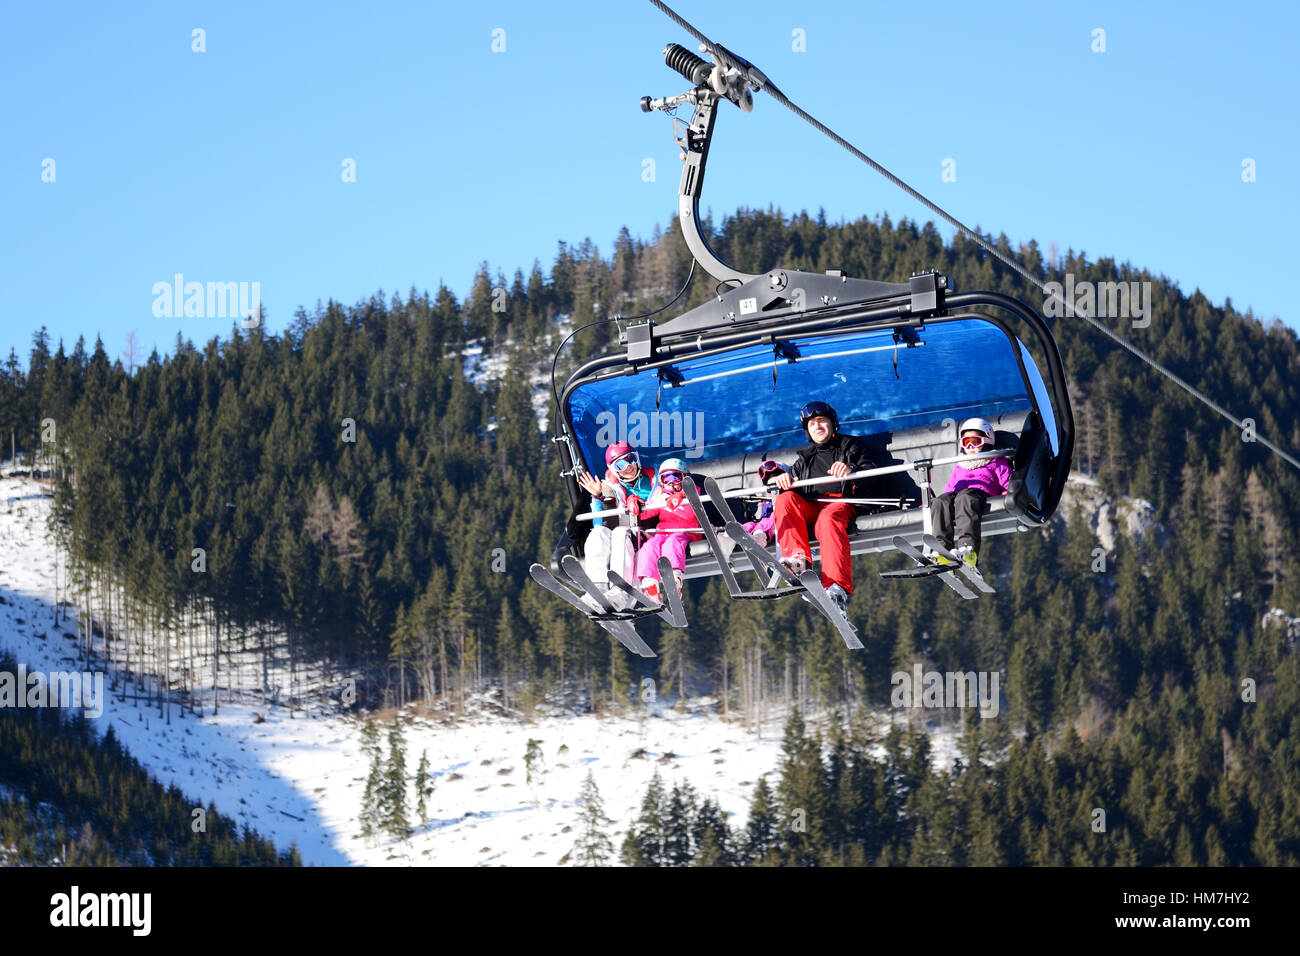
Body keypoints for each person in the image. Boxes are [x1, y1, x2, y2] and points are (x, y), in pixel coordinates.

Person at [772, 401, 879, 614]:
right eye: (812, 424)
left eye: (821, 421)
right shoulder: (805, 459)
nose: (817, 426)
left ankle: (836, 586)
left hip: (843, 503)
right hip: (813, 505)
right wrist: (785, 480)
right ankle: (798, 560)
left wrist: (851, 470)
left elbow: (871, 471)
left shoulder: (850, 445)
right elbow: (794, 490)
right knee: (784, 500)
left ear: (832, 423)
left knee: (828, 519)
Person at [577, 442, 654, 609]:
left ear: (637, 460)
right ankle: (598, 588)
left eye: (630, 460)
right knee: (597, 534)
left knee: (620, 534)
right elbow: (602, 523)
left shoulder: (653, 481)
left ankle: (620, 592)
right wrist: (599, 497)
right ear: (613, 469)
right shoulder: (611, 488)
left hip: (644, 535)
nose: (627, 467)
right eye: (620, 464)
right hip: (622, 535)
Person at [929, 417, 1011, 571]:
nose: (971, 446)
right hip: (959, 495)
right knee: (941, 501)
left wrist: (1009, 494)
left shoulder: (996, 461)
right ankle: (942, 548)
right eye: (966, 443)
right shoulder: (961, 466)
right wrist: (939, 504)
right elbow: (949, 490)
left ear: (987, 441)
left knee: (965, 497)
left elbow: (1009, 482)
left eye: (975, 441)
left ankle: (968, 549)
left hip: (979, 495)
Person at [634, 458, 703, 601]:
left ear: (685, 478)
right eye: (666, 478)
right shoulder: (660, 495)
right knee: (650, 546)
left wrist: (683, 494)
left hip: (687, 532)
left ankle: (674, 578)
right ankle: (650, 583)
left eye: (675, 476)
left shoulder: (692, 491)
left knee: (673, 542)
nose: (670, 482)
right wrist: (635, 503)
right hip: (663, 532)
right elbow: (646, 513)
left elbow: (696, 496)